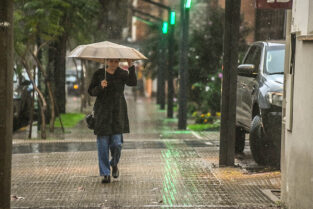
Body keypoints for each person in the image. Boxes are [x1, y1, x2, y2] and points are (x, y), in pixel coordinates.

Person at [88, 59, 137, 183]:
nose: (114, 63)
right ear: (107, 61)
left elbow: (133, 82)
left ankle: (114, 163)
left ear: (119, 61)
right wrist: (100, 87)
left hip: (117, 112)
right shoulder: (99, 74)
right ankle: (105, 173)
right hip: (102, 113)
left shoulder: (122, 73)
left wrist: (131, 66)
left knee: (117, 144)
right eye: (111, 61)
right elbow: (91, 91)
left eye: (116, 61)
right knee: (103, 145)